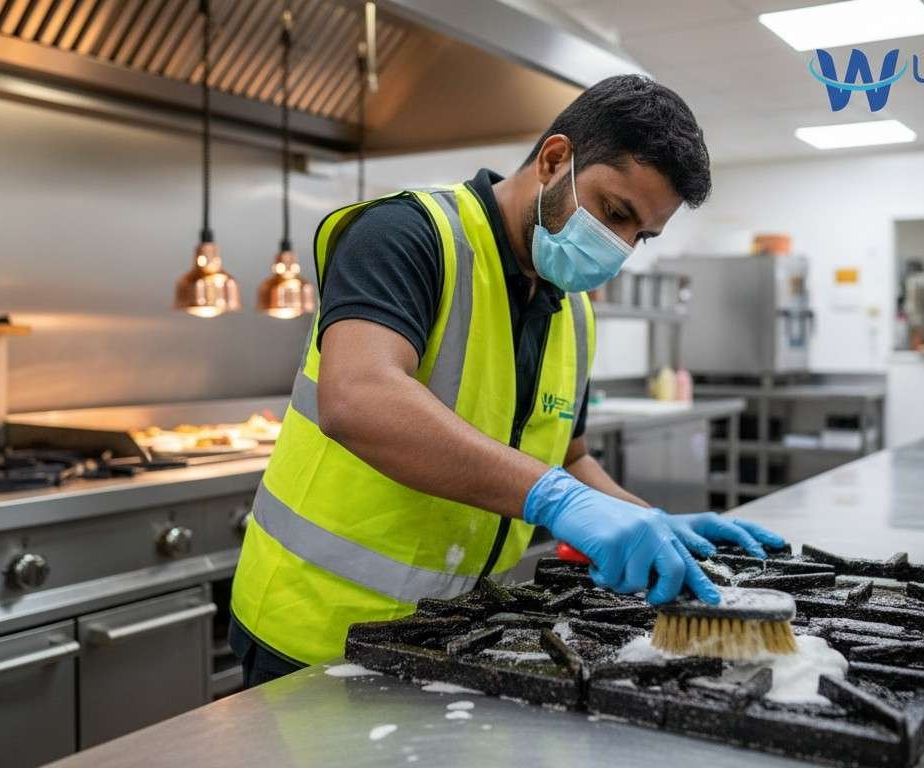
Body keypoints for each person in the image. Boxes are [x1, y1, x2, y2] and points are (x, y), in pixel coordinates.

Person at [229, 74, 785, 687]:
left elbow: (566, 456)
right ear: (554, 159)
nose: (620, 246)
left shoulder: (572, 310)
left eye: (641, 235)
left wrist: (646, 520)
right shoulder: (409, 234)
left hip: (452, 637)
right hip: (314, 634)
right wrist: (558, 501)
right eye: (614, 211)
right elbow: (357, 397)